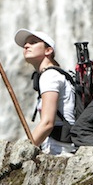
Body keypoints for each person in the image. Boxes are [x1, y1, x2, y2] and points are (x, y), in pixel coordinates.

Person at [16, 28, 76, 156]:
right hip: (64, 147)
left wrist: (21, 153)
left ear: (48, 50)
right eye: (26, 44)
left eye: (33, 42)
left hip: (60, 152)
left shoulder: (50, 76)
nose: (26, 45)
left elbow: (47, 123)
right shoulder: (57, 74)